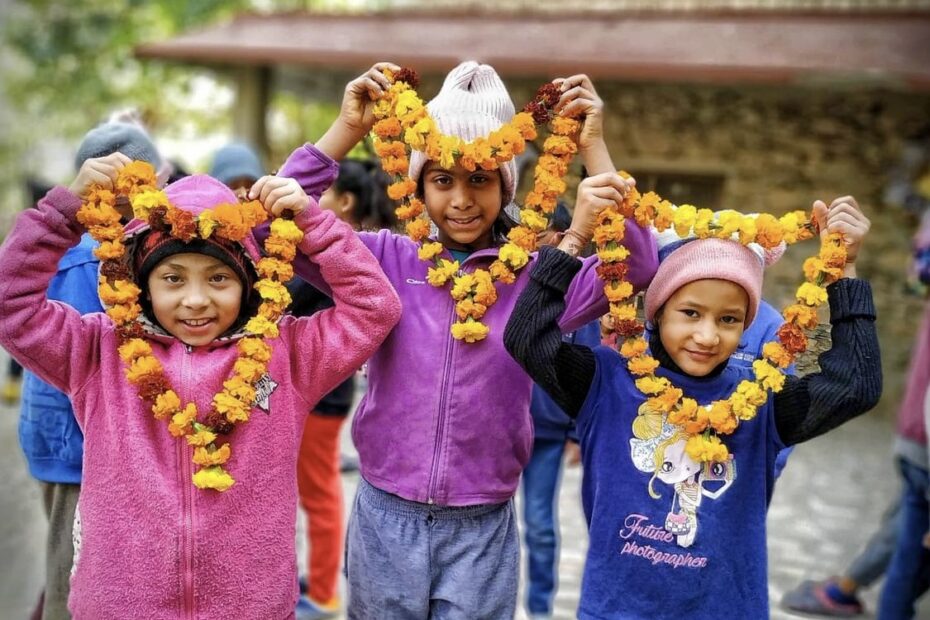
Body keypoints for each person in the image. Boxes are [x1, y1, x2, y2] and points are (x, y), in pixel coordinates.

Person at [272, 61, 658, 617]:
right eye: (442, 179)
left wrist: (594, 148)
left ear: (505, 186)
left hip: (482, 522)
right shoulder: (382, 259)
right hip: (385, 514)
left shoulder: (538, 275)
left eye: (479, 179)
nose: (460, 199)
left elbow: (638, 265)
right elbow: (269, 229)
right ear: (418, 182)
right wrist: (346, 130)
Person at [0, 153, 401, 618]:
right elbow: (12, 306)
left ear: (248, 284)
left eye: (218, 278)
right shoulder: (97, 350)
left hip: (250, 606)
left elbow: (374, 308)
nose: (195, 300)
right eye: (172, 278)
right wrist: (63, 212)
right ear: (143, 285)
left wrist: (312, 224)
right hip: (122, 605)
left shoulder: (285, 354)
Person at [504, 197, 881, 618]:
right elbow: (525, 338)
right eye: (690, 313)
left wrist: (845, 270)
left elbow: (856, 386)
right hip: (617, 609)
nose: (706, 335)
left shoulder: (763, 402)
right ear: (658, 312)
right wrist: (573, 240)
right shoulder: (606, 381)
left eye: (729, 320)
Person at [18, 123, 163, 620]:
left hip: (133, 450)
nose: (123, 224)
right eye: (112, 209)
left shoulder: (166, 259)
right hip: (73, 453)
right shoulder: (64, 260)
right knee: (70, 566)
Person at [292, 158, 398, 619]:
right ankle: (318, 577)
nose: (315, 204)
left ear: (345, 202)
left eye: (323, 196)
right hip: (319, 394)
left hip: (321, 395)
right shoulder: (335, 250)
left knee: (319, 491)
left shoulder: (343, 255)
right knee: (316, 487)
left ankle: (323, 591)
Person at [521, 202, 600, 620]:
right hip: (500, 428)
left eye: (549, 234)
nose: (541, 244)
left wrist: (575, 433)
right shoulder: (510, 281)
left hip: (547, 431)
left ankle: (539, 608)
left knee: (539, 525)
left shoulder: (579, 296)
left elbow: (587, 362)